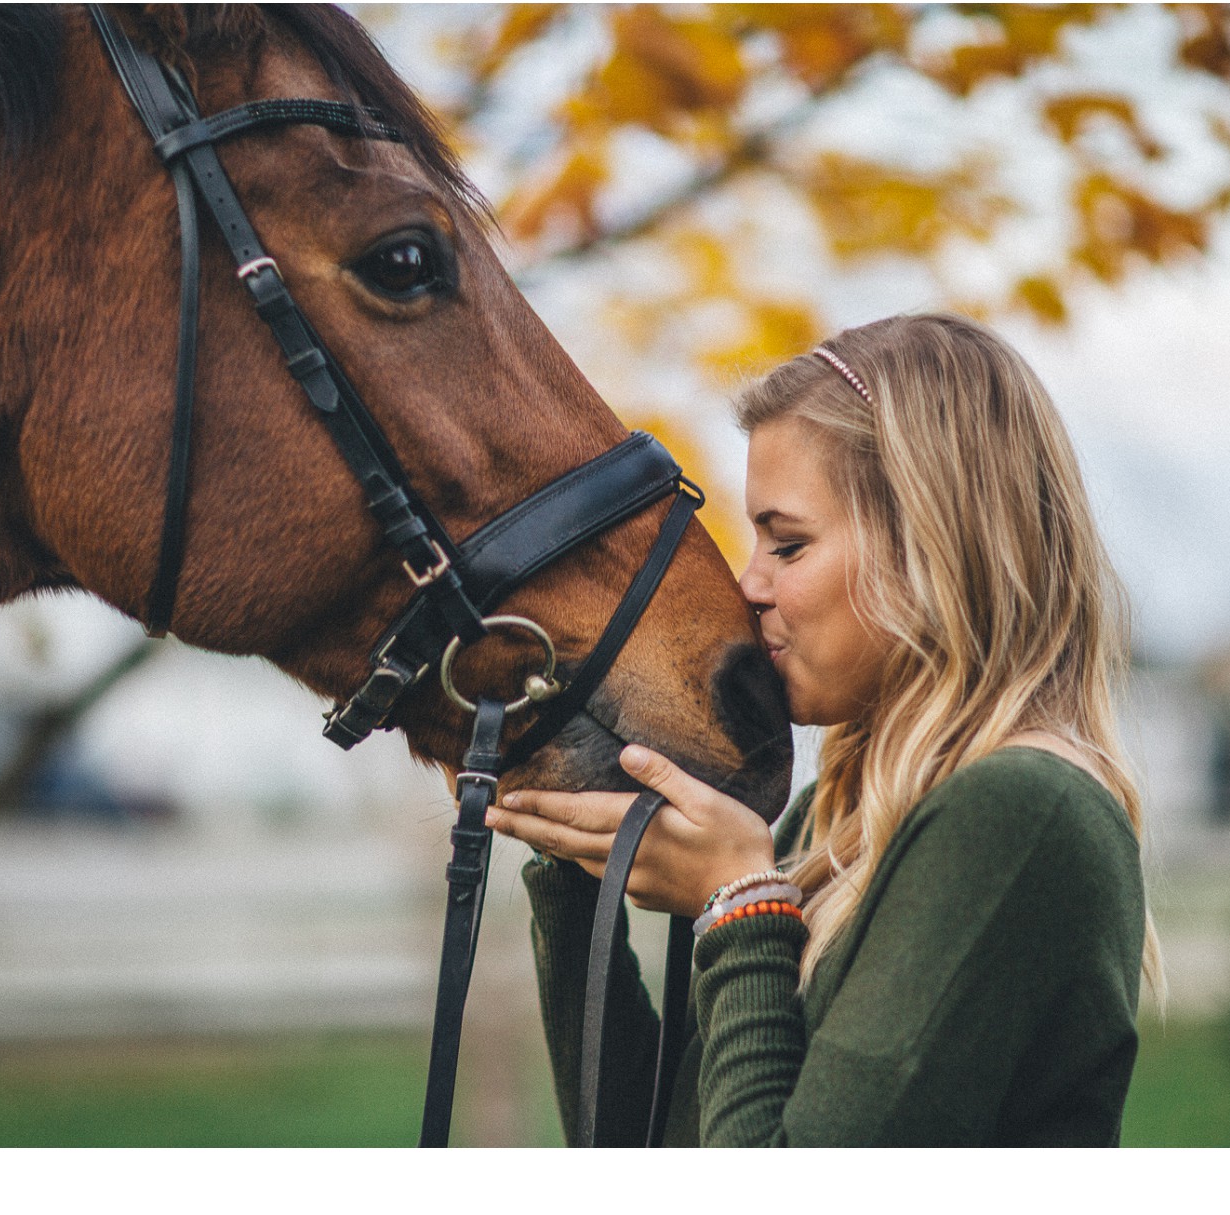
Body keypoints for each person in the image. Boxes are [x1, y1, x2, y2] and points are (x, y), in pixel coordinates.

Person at [485, 312, 1159, 1146]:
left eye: (789, 544)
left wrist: (739, 900)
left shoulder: (1023, 813)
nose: (748, 583)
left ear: (931, 544)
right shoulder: (831, 823)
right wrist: (574, 867)